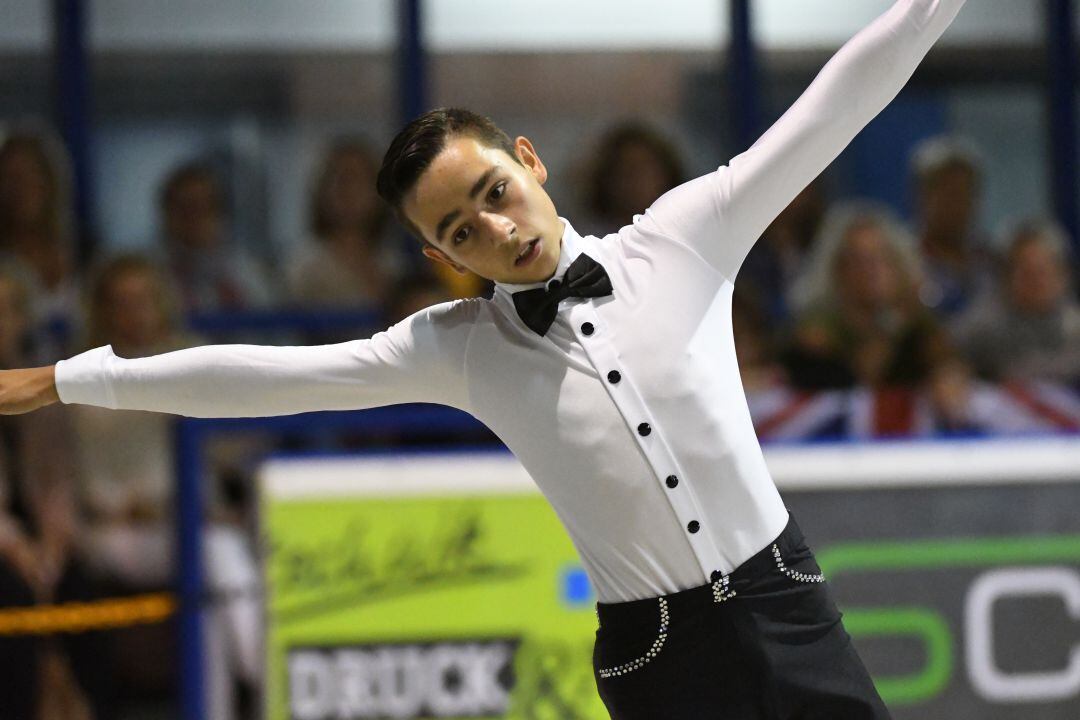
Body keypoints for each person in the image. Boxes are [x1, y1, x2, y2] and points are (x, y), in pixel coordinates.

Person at [0, 1, 967, 717]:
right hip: (656, 656)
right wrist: (68, 379)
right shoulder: (458, 351)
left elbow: (834, 107)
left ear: (533, 162)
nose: (497, 230)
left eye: (498, 192)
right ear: (442, 258)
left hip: (785, 605)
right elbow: (264, 377)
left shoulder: (683, 238)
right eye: (462, 229)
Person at [70, 254, 262, 720]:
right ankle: (274, 677)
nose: (134, 314)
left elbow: (242, 446)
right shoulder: (78, 375)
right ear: (101, 311)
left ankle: (225, 704)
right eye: (121, 303)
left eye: (144, 301)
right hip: (116, 534)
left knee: (214, 582)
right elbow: (78, 486)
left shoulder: (192, 356)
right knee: (215, 555)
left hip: (193, 525)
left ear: (162, 304)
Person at [782, 203, 951, 391]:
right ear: (837, 270)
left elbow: (947, 364)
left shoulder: (918, 321)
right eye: (858, 260)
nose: (872, 270)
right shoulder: (818, 328)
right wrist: (895, 322)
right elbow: (862, 381)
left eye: (881, 257)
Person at [954, 219, 1080, 387]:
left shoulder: (1075, 326)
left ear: (1063, 274)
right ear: (1006, 276)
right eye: (1026, 272)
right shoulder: (981, 328)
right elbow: (945, 361)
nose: (1036, 281)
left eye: (1042, 271)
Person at [158, 161, 273, 314]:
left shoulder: (246, 269)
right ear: (168, 213)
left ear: (219, 212)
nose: (195, 218)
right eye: (186, 208)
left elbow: (273, 326)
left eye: (204, 207)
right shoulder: (151, 274)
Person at [909, 135, 995, 319]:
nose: (957, 204)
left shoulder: (993, 261)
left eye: (965, 192)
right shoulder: (904, 263)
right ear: (922, 197)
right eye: (947, 193)